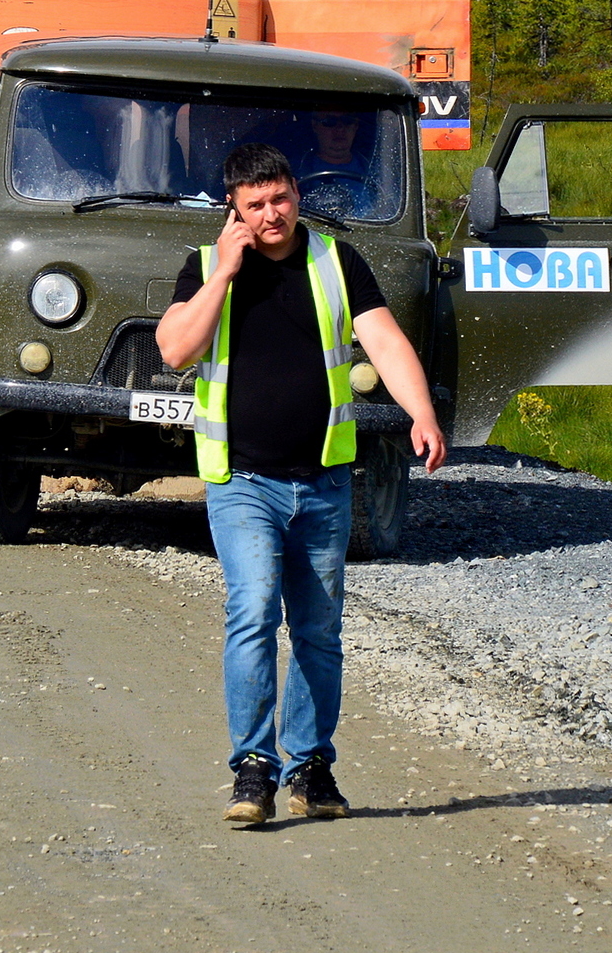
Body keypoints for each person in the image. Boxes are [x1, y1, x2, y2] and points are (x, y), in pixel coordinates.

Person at [153, 140, 447, 828]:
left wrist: (421, 412)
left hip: (320, 484)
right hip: (243, 482)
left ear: (295, 194)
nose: (271, 214)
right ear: (233, 209)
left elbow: (383, 340)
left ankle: (310, 767)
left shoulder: (335, 261)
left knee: (317, 630)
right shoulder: (201, 266)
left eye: (280, 199)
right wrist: (223, 273)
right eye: (254, 206)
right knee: (252, 610)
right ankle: (251, 769)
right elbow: (174, 349)